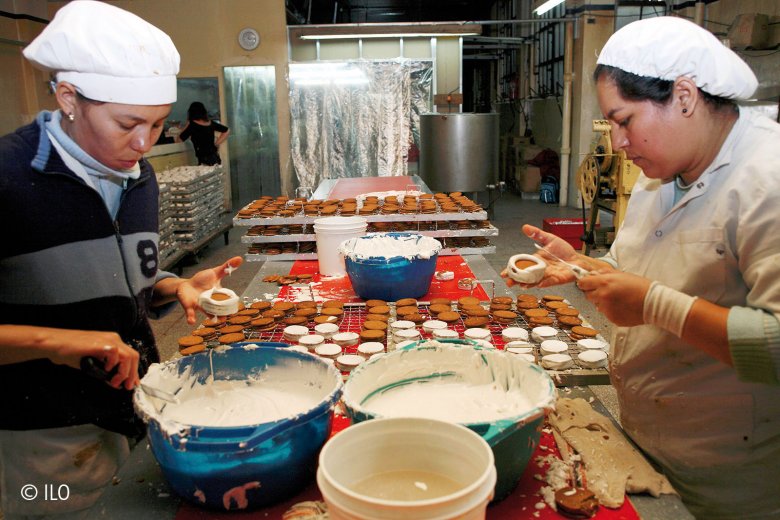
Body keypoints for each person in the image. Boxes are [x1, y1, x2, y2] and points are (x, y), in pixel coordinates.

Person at [506, 16, 780, 519]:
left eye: (625, 120)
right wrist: (584, 266)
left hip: (728, 472)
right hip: (646, 437)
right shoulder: (660, 177)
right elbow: (636, 265)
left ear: (683, 96)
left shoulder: (768, 180)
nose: (618, 142)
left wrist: (653, 304)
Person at [0, 2, 242, 517]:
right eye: (128, 122)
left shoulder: (138, 177)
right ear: (68, 97)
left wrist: (173, 287)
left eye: (157, 125)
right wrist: (55, 342)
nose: (143, 143)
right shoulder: (8, 180)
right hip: (44, 441)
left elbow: (119, 276)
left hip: (133, 410)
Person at [177, 101, 230, 166]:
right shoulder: (210, 123)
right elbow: (227, 131)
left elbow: (179, 139)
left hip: (203, 160)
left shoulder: (193, 125)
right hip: (214, 157)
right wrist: (216, 143)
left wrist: (187, 124)